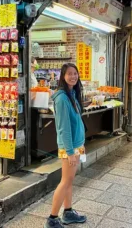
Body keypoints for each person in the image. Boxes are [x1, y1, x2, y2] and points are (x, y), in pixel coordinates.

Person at [45, 63, 87, 228]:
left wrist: (81, 144)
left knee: (69, 181)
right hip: (69, 147)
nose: (73, 76)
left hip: (76, 145)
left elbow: (76, 122)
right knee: (65, 181)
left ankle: (68, 212)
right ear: (63, 76)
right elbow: (64, 128)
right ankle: (52, 218)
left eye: (75, 73)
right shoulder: (62, 98)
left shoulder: (72, 94)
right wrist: (70, 152)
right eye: (69, 74)